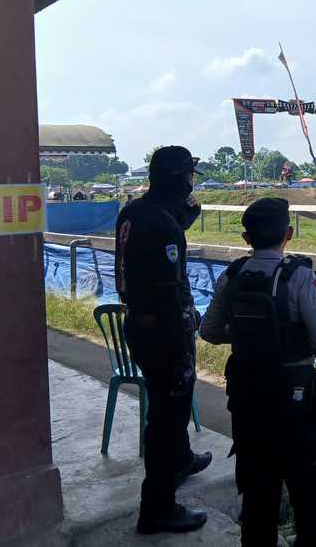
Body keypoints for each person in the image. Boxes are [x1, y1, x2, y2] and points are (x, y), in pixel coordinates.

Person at [200, 197, 316, 546]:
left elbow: (209, 331)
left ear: (246, 239)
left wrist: (250, 334)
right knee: (312, 504)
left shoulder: (232, 275)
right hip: (295, 409)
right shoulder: (299, 276)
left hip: (247, 406)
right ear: (288, 234)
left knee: (257, 502)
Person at [115, 146, 212, 535]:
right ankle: (157, 508)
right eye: (187, 176)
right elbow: (166, 293)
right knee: (166, 419)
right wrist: (181, 351)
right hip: (164, 332)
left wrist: (183, 215)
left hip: (140, 324)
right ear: (177, 179)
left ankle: (181, 460)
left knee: (170, 408)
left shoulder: (135, 212)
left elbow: (155, 244)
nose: (191, 184)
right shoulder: (163, 226)